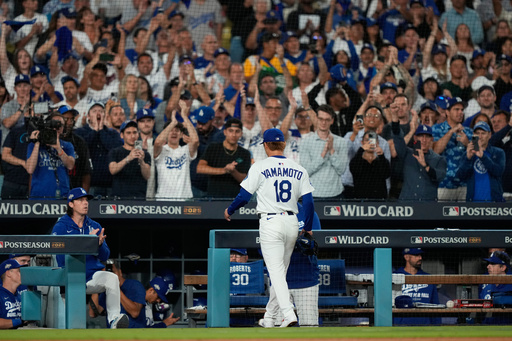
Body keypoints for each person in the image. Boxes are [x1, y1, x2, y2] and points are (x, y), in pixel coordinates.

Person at [224, 128, 315, 328]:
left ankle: (289, 314)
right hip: (292, 221)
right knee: (279, 273)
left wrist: (230, 210)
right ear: (283, 144)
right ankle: (269, 317)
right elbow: (308, 202)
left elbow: (244, 196)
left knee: (275, 272)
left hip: (271, 221)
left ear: (266, 145)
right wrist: (307, 227)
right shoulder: (298, 168)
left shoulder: (260, 166)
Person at [52, 187, 129, 329]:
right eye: (80, 200)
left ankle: (114, 320)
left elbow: (105, 256)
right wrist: (86, 243)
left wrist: (98, 245)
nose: (85, 203)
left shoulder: (94, 226)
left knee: (112, 278)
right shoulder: (61, 226)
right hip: (70, 278)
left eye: (86, 200)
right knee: (74, 326)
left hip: (91, 276)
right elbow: (61, 258)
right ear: (71, 204)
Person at [299, 104, 349, 200]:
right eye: (321, 119)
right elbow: (306, 172)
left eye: (327, 120)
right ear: (316, 119)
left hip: (335, 194)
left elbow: (342, 170)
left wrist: (332, 151)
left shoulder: (341, 142)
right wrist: (323, 154)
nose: (323, 122)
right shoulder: (306, 142)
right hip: (313, 194)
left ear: (332, 121)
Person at [75, 102, 123, 197]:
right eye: (94, 111)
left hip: (110, 185)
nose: (98, 113)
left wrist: (100, 130)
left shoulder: (113, 133)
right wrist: (94, 131)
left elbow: (115, 148)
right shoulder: (80, 132)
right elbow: (82, 148)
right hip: (89, 185)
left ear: (105, 115)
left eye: (101, 111)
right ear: (88, 116)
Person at [153, 102, 199, 201]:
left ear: (181, 134)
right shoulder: (161, 150)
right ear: (165, 133)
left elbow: (195, 140)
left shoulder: (185, 150)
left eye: (177, 130)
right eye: (171, 130)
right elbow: (157, 142)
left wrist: (184, 116)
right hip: (163, 199)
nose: (174, 132)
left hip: (185, 199)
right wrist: (173, 123)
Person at [197, 118, 251, 198]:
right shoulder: (213, 148)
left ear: (241, 134)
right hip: (214, 198)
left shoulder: (245, 153)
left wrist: (233, 171)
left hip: (235, 200)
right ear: (225, 132)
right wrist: (224, 170)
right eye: (231, 131)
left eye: (237, 131)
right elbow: (200, 168)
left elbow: (245, 180)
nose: (233, 134)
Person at [26, 111, 76, 199]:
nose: (56, 127)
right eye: (54, 124)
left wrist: (58, 148)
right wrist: (37, 142)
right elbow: (30, 169)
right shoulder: (34, 145)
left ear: (63, 129)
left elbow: (70, 165)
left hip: (61, 197)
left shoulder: (67, 146)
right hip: (39, 197)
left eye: (60, 125)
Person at [392, 122, 447, 201]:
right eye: (421, 136)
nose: (424, 140)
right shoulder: (407, 153)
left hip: (428, 205)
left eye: (427, 136)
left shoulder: (439, 159)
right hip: (407, 204)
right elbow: (398, 138)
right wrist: (395, 119)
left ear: (432, 139)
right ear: (415, 138)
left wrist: (425, 165)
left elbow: (439, 176)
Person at [432, 97, 473, 201]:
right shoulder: (436, 129)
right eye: (456, 109)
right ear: (447, 112)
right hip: (443, 184)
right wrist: (450, 132)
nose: (460, 112)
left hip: (465, 185)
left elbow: (478, 154)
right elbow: (436, 150)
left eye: (462, 110)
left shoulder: (470, 131)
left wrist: (467, 143)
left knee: (465, 217)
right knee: (441, 216)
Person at [457, 121, 505, 202]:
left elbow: (498, 172)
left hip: (494, 203)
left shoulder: (498, 152)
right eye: (477, 133)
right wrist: (468, 159)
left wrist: (483, 157)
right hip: (473, 203)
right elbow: (460, 176)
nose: (480, 136)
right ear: (473, 135)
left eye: (483, 133)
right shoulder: (468, 154)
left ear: (489, 135)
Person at [394, 248, 440, 325]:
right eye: (416, 255)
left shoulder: (428, 278)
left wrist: (437, 325)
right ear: (406, 257)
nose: (420, 258)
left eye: (420, 255)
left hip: (425, 325)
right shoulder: (395, 276)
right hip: (401, 325)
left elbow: (435, 304)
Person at [108, 120, 151, 199]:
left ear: (138, 134)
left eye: (134, 132)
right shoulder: (115, 152)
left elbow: (147, 176)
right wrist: (128, 158)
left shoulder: (145, 154)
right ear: (122, 135)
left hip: (138, 198)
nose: (132, 136)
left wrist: (141, 161)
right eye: (128, 133)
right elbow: (112, 170)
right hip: (119, 198)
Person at [58, 105, 92, 191]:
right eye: (66, 119)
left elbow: (86, 173)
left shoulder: (79, 142)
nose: (69, 123)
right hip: (52, 193)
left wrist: (84, 196)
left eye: (71, 119)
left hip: (74, 192)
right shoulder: (49, 139)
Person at [350, 131, 390, 200]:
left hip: (379, 201)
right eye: (367, 140)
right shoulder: (357, 159)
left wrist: (381, 156)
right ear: (362, 143)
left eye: (372, 140)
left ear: (377, 143)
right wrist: (361, 150)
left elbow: (386, 174)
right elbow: (354, 169)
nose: (370, 143)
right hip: (360, 201)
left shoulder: (382, 160)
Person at [0, 259, 26, 329]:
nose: (22, 274)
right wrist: (20, 321)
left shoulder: (20, 296)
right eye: (19, 271)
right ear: (8, 273)